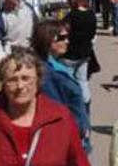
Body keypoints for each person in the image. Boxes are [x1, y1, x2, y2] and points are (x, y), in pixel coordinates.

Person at [33, 19, 91, 156]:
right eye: (62, 38)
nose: (67, 41)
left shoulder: (56, 65)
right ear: (48, 40)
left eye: (67, 37)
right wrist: (80, 129)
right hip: (66, 144)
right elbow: (56, 111)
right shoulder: (47, 74)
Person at [62, 0, 97, 110]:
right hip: (85, 52)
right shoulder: (91, 14)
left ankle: (70, 103)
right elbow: (92, 34)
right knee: (83, 80)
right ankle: (86, 101)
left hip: (70, 54)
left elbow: (63, 32)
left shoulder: (71, 16)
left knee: (68, 79)